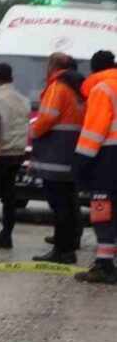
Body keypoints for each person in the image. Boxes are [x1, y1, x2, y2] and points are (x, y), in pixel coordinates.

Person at [31, 53, 85, 263]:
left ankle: (62, 251)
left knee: (59, 205)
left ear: (53, 67)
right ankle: (70, 246)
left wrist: (35, 130)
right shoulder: (79, 89)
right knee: (70, 203)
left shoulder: (57, 87)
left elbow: (48, 116)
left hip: (55, 153)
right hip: (73, 153)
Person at [72, 50, 117, 284]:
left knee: (103, 210)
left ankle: (104, 265)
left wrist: (80, 162)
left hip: (108, 159)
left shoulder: (102, 89)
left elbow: (94, 131)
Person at [0, 62, 31, 249]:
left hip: (0, 152)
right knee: (9, 196)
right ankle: (7, 235)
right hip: (18, 152)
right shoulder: (23, 99)